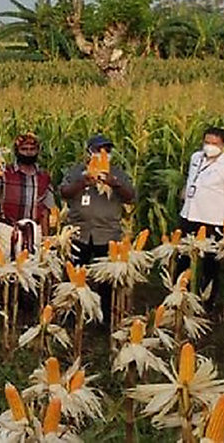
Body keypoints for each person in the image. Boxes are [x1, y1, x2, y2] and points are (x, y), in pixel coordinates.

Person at [59, 134, 136, 320]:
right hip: (79, 233)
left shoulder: (118, 173)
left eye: (107, 150)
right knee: (74, 276)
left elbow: (131, 197)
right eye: (98, 149)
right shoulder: (77, 172)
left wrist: (114, 183)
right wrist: (83, 182)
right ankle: (72, 315)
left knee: (106, 282)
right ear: (88, 151)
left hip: (108, 233)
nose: (103, 153)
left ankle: (105, 318)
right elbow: (64, 192)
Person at [177, 126, 224, 308]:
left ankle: (206, 303)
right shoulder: (195, 158)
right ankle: (180, 298)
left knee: (209, 266)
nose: (210, 146)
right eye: (207, 142)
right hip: (189, 216)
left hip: (212, 222)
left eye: (215, 143)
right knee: (183, 260)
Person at [0, 133, 55, 253]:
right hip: (6, 229)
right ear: (17, 151)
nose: (28, 152)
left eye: (32, 149)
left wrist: (46, 240)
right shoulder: (4, 173)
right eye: (24, 149)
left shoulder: (44, 177)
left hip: (34, 230)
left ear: (38, 151)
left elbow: (45, 210)